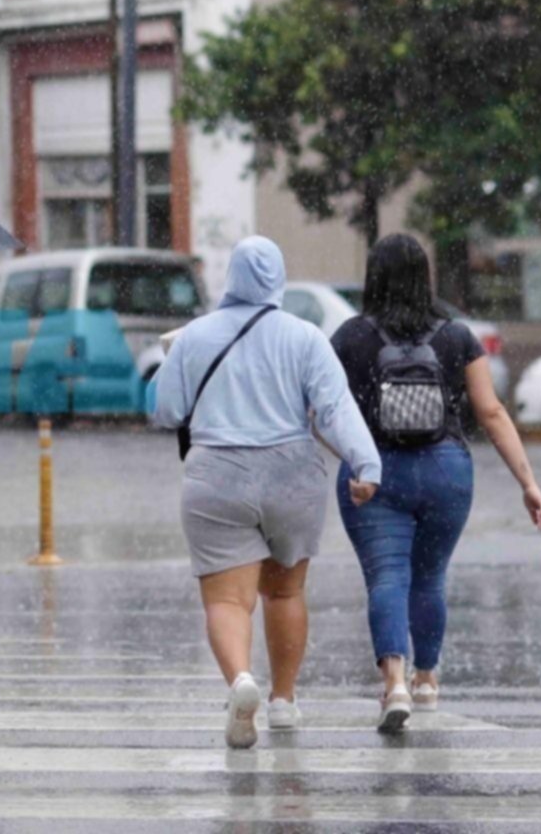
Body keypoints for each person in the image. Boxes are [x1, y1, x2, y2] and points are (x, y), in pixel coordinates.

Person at [153, 237, 382, 749]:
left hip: (218, 476)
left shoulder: (195, 336)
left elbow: (166, 410)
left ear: (230, 278)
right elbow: (335, 408)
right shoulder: (304, 337)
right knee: (284, 591)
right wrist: (365, 463)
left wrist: (175, 362)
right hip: (290, 475)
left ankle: (240, 682)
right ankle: (282, 700)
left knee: (228, 601)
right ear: (278, 277)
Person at [332, 234, 541, 733]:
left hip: (375, 472)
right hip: (445, 470)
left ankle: (395, 684)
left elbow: (322, 414)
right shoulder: (456, 336)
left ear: (374, 276)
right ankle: (427, 677)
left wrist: (355, 460)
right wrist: (528, 482)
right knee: (429, 577)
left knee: (388, 577)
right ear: (423, 277)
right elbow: (491, 412)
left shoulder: (350, 337)